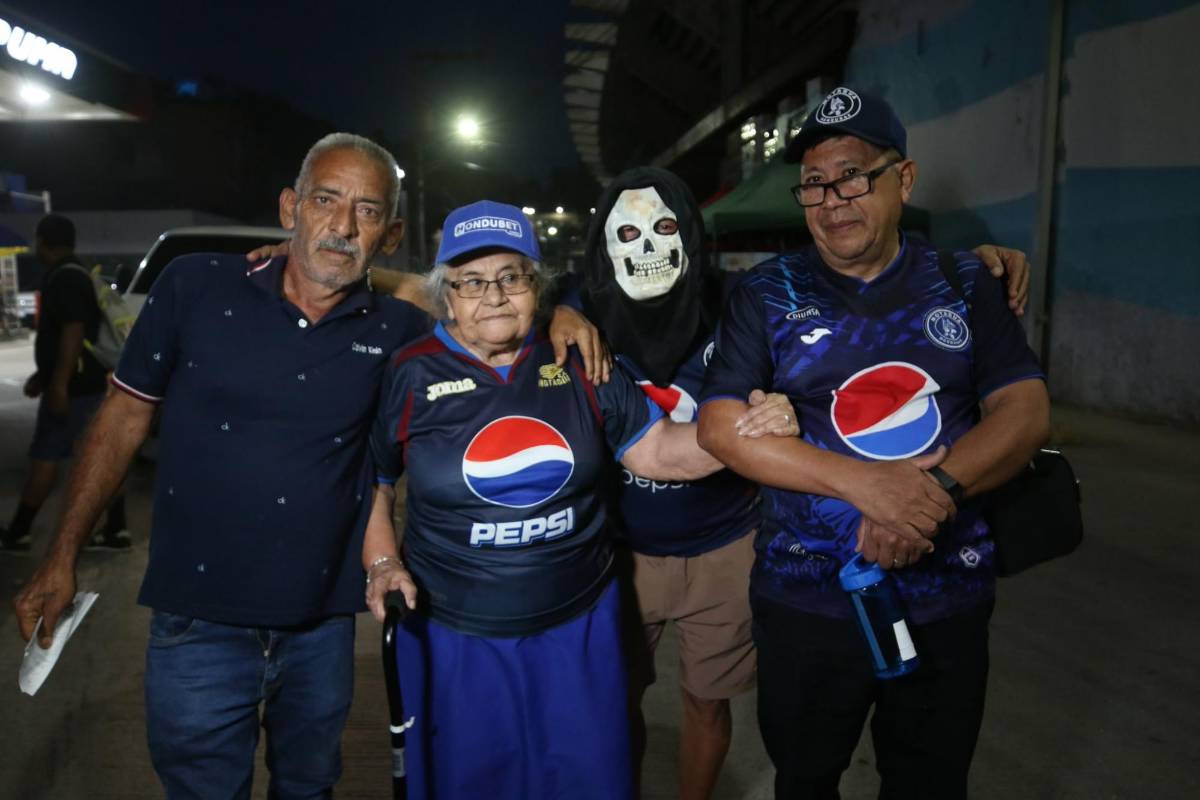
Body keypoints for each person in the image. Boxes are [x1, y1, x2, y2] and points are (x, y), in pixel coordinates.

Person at [11, 135, 604, 798]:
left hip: (321, 629)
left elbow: (482, 303)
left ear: (390, 233)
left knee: (309, 789)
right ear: (291, 206)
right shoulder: (195, 287)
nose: (343, 224)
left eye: (368, 211)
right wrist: (61, 553)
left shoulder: (397, 332)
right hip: (196, 622)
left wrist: (563, 313)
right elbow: (121, 419)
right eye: (326, 200)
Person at [577, 166, 1033, 800]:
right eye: (627, 233)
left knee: (714, 706)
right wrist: (556, 315)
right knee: (615, 706)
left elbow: (1019, 408)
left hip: (724, 549)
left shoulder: (742, 297)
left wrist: (979, 267)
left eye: (664, 227)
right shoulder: (578, 317)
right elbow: (488, 296)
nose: (649, 249)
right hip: (621, 552)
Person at [361, 200, 794, 800]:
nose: (493, 295)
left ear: (535, 285)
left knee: (584, 780)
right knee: (471, 782)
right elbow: (377, 483)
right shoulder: (408, 373)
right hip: (454, 630)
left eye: (511, 276)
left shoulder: (579, 360)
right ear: (446, 293)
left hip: (578, 626)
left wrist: (748, 429)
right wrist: (382, 564)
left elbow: (659, 451)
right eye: (471, 281)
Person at [696, 86, 1051, 799]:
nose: (833, 200)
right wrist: (867, 486)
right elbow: (718, 427)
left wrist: (932, 494)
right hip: (806, 599)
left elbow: (1025, 410)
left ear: (903, 179)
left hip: (945, 595)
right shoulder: (767, 292)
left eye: (854, 175)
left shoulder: (963, 282)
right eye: (815, 184)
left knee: (930, 782)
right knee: (803, 778)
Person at [0, 214, 129, 554]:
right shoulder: (79, 272)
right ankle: (116, 529)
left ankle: (19, 532)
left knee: (45, 456)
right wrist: (42, 377)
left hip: (74, 390)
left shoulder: (65, 279)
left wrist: (57, 385)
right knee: (98, 457)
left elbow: (73, 332)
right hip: (83, 386)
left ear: (44, 241)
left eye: (36, 239)